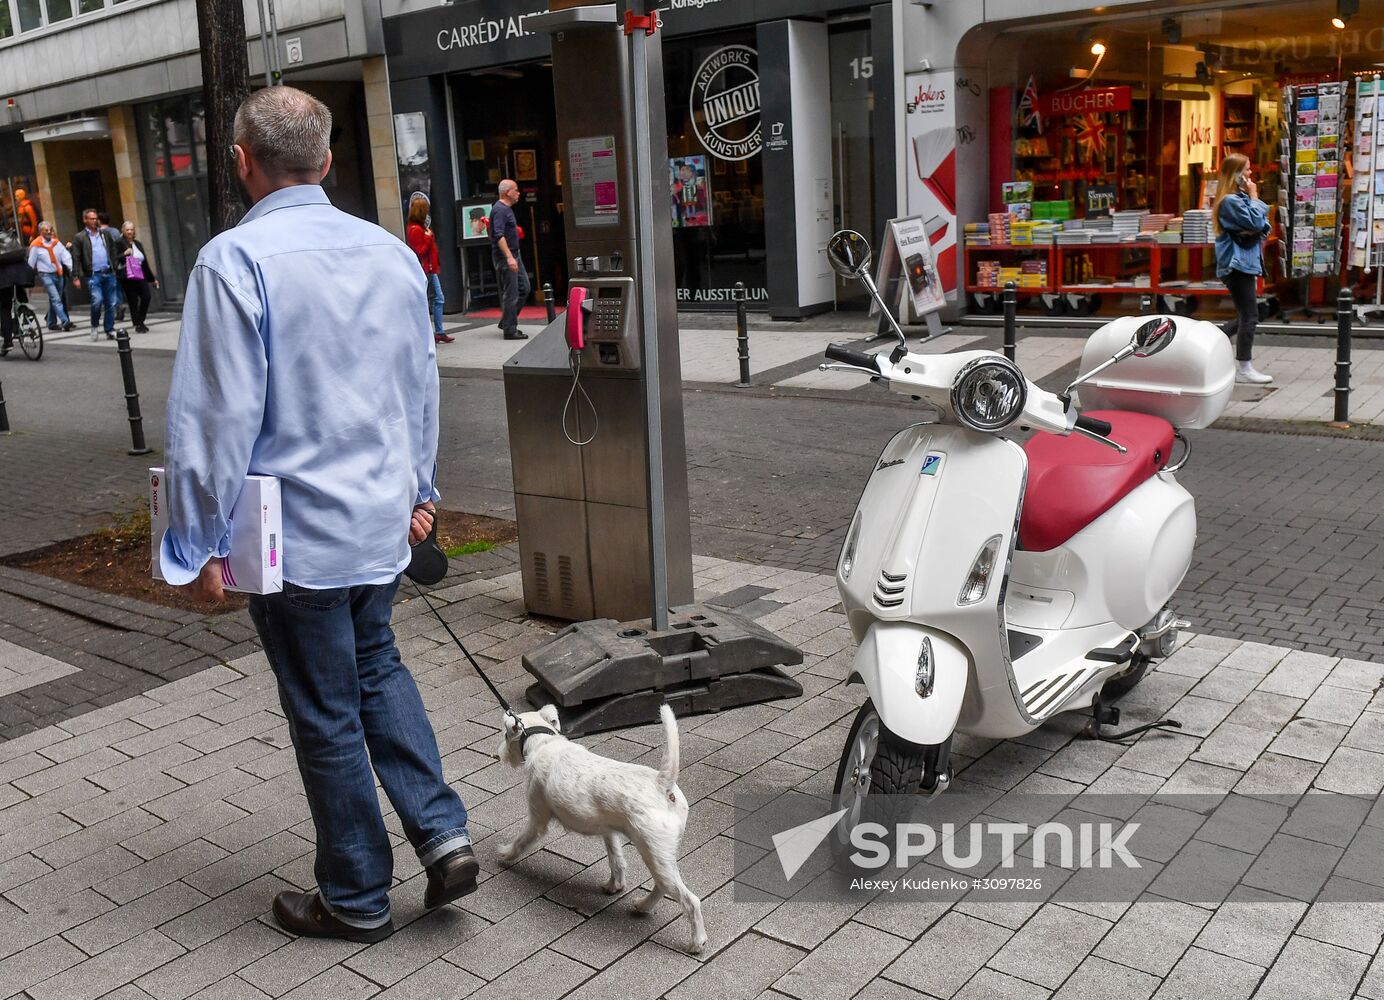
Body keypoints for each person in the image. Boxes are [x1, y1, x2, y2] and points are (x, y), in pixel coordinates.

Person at [158, 86, 477, 943]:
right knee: (377, 667)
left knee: (325, 708)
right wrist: (421, 491)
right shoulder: (389, 255)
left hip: (290, 537)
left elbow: (211, 423)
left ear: (242, 161)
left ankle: (356, 896)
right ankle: (442, 831)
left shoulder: (235, 262)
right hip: (378, 523)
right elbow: (419, 388)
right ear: (329, 160)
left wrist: (194, 545)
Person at [1213, 153, 1272, 385]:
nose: (1250, 174)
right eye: (1247, 170)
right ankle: (1245, 367)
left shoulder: (1239, 198)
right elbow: (1258, 223)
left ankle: (1212, 339)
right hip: (1236, 265)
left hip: (1245, 264)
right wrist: (1255, 197)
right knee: (1250, 316)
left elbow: (1262, 227)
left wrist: (1255, 221)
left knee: (1247, 314)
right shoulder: (1230, 201)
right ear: (1235, 174)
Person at [69, 208, 121, 341]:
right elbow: (76, 257)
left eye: (95, 218)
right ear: (85, 220)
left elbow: (113, 250)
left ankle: (109, 329)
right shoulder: (80, 237)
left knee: (111, 302)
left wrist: (114, 265)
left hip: (108, 273)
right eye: (91, 218)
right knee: (97, 301)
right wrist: (75, 276)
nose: (94, 221)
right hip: (93, 275)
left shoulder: (105, 234)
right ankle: (94, 325)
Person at [406, 194, 451, 344]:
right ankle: (434, 332)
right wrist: (428, 237)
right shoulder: (416, 229)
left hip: (429, 267)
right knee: (432, 298)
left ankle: (438, 331)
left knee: (436, 298)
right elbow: (419, 250)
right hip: (425, 268)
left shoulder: (418, 228)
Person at [490, 178, 529, 340]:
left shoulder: (506, 209)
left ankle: (507, 320)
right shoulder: (499, 210)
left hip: (514, 254)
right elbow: (499, 235)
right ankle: (510, 329)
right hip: (507, 256)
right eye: (516, 190)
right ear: (507, 192)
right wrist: (509, 258)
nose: (519, 193)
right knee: (512, 292)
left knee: (524, 288)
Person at [27, 222, 74, 331]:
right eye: (46, 230)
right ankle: (65, 321)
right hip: (46, 275)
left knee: (56, 299)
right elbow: (31, 263)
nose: (48, 232)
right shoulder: (36, 245)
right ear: (40, 232)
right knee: (56, 298)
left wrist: (72, 270)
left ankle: (51, 322)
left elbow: (65, 256)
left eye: (50, 230)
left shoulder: (56, 243)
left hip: (59, 274)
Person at [116, 220, 159, 333]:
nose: (130, 232)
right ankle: (138, 323)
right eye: (127, 230)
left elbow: (145, 263)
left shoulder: (138, 243)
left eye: (132, 229)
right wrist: (124, 254)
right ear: (123, 231)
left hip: (140, 273)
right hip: (128, 276)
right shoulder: (119, 243)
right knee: (133, 299)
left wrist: (152, 279)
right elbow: (115, 258)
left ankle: (140, 319)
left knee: (146, 296)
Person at [0, 255, 35, 357]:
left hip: (4, 278)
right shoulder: (12, 240)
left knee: (5, 308)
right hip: (22, 274)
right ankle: (25, 314)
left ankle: (8, 342)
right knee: (22, 300)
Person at [98, 211, 128, 322]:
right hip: (117, 263)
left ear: (99, 221)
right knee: (117, 285)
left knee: (110, 288)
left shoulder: (100, 233)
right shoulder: (115, 231)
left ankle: (117, 305)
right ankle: (120, 304)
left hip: (107, 264)